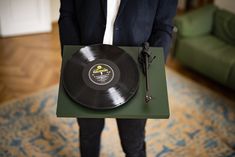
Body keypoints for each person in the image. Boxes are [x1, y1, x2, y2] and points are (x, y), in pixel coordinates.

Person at [58, 0, 178, 157]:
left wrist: (151, 71)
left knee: (133, 143)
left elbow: (163, 27)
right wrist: (74, 59)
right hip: (85, 68)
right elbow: (68, 15)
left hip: (137, 71)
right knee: (88, 136)